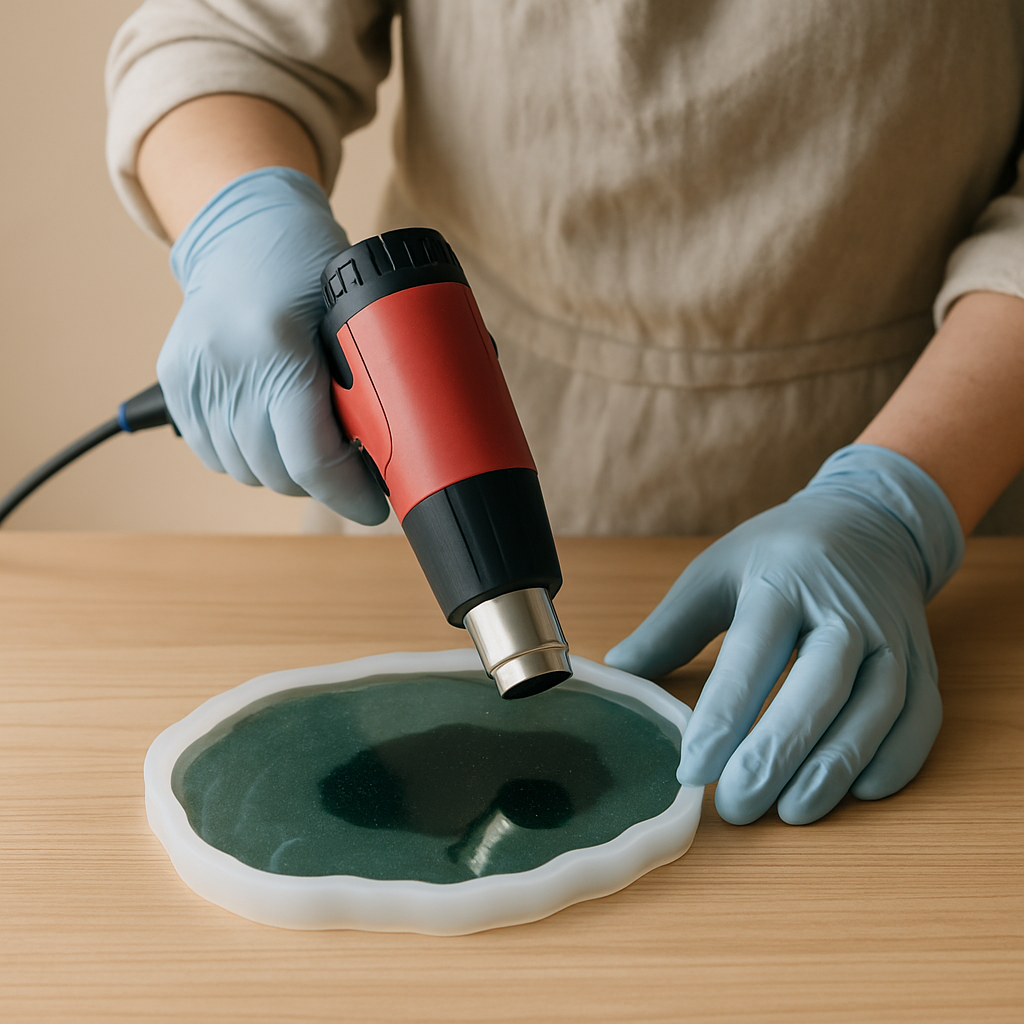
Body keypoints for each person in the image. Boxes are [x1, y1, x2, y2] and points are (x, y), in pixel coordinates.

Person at [106, 1, 1024, 825]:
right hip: (430, 483)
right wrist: (239, 220)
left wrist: (898, 503)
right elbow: (225, 33)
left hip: (944, 448)